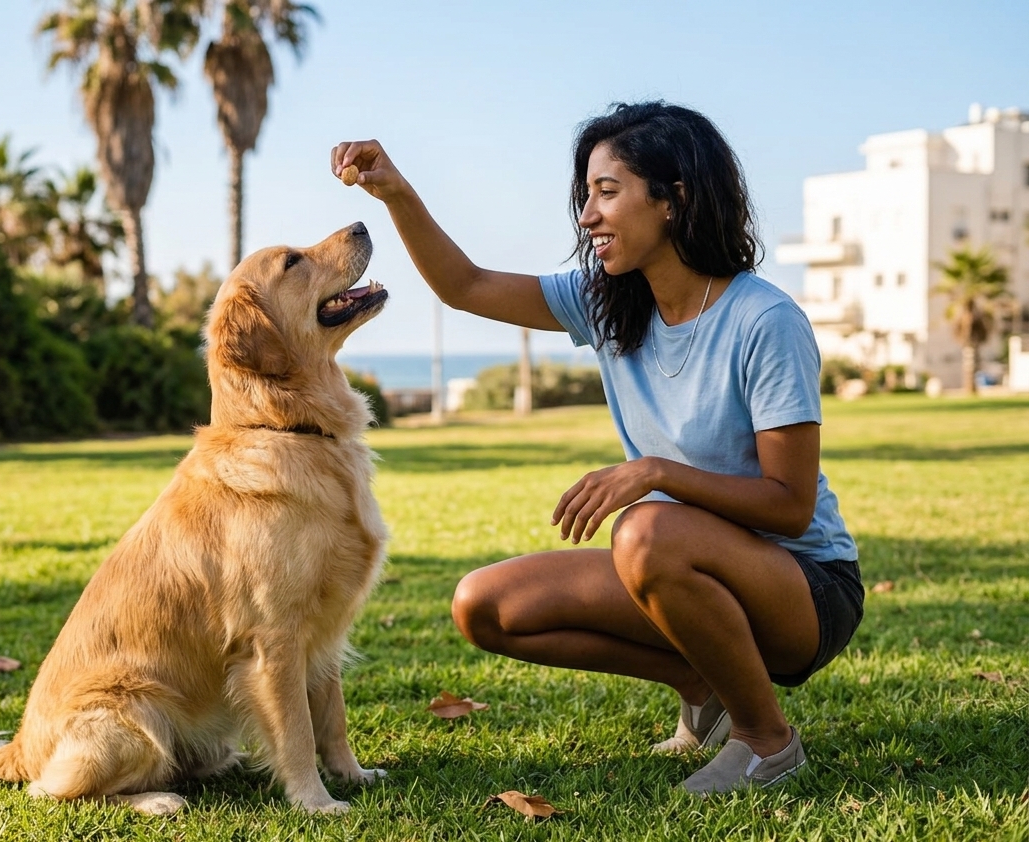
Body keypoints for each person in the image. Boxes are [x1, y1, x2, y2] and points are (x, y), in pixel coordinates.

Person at [329, 101, 863, 794]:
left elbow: (789, 508)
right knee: (483, 605)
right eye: (586, 195)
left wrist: (653, 473)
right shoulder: (608, 302)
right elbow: (466, 287)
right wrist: (395, 190)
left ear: (674, 199)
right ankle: (701, 680)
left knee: (645, 529)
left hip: (805, 589)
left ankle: (767, 740)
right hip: (681, 559)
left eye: (607, 192)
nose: (587, 215)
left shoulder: (765, 320)